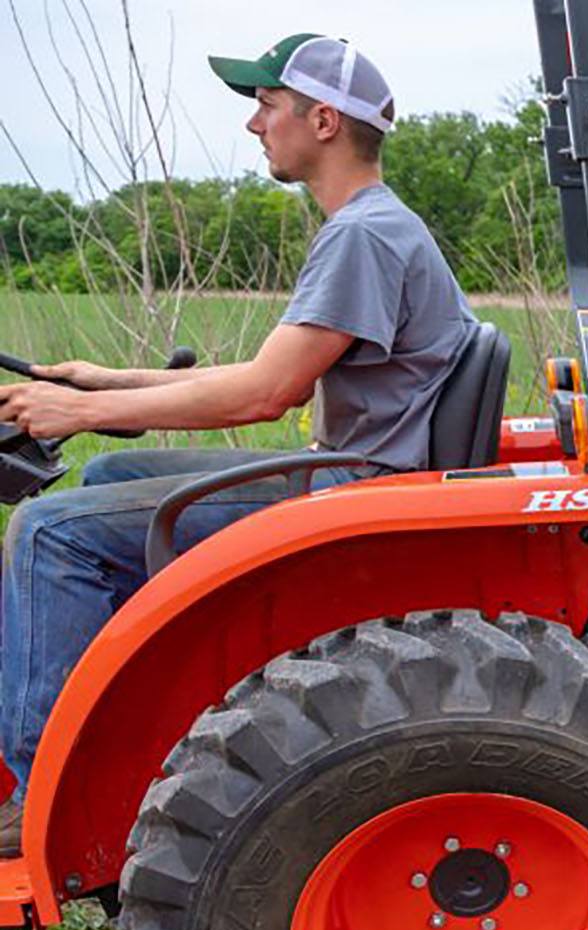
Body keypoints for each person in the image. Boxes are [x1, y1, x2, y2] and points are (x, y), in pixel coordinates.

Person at [0, 34, 477, 855]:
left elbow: (266, 394)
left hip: (355, 484)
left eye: (266, 105)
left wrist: (70, 413)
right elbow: (270, 368)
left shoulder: (363, 236)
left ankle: (41, 789)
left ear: (322, 121)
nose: (256, 125)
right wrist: (106, 383)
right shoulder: (371, 226)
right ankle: (145, 717)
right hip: (363, 468)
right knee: (114, 471)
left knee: (51, 531)